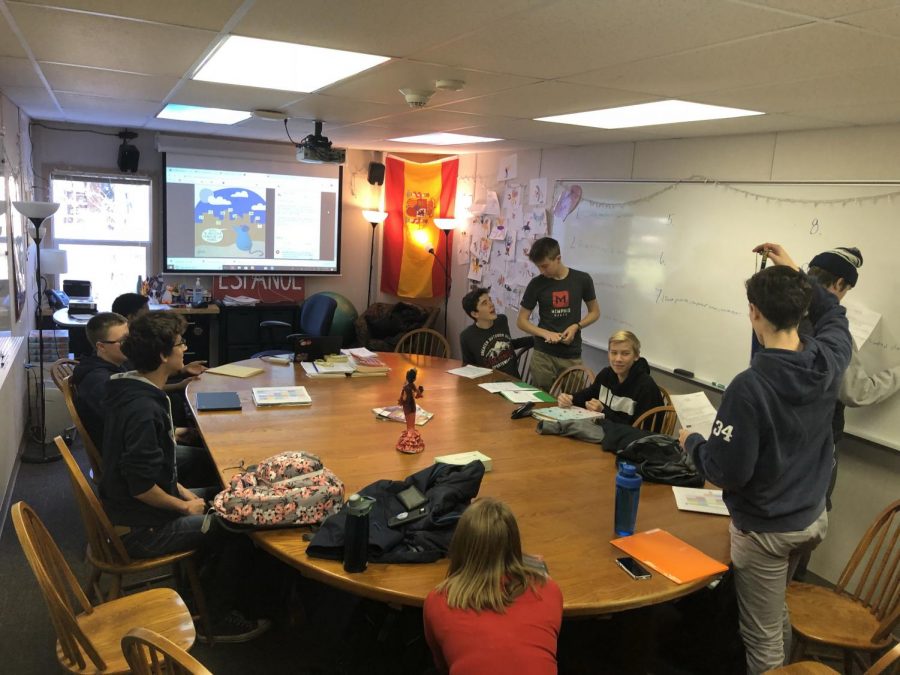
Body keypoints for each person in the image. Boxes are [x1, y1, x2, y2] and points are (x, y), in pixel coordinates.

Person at [678, 242, 851, 674]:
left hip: (766, 532)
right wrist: (799, 275)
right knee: (775, 614)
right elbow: (835, 317)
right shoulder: (828, 359)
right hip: (811, 519)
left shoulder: (749, 387)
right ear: (801, 308)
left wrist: (692, 441)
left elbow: (726, 473)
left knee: (761, 638)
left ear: (754, 312)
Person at [98, 312, 270, 642]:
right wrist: (182, 506)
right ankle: (217, 620)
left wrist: (185, 494)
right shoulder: (143, 410)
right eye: (180, 344)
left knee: (228, 490)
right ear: (163, 355)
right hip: (142, 528)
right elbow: (141, 486)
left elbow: (154, 467)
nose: (184, 349)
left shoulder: (130, 389)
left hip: (137, 511)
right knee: (240, 524)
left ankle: (201, 583)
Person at [423, 498, 563, 675]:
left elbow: (441, 664)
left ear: (460, 545)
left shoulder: (439, 601)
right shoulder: (549, 590)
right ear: (514, 545)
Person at [517, 237, 600, 391]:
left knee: (574, 402)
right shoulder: (536, 284)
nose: (542, 271)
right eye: (539, 267)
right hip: (543, 354)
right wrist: (545, 333)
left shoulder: (582, 279)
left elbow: (595, 312)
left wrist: (577, 326)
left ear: (558, 259)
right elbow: (521, 321)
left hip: (571, 354)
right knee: (541, 400)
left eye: (545, 266)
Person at [558, 330, 663, 425]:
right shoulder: (606, 374)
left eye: (625, 354)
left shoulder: (646, 387)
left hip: (629, 442)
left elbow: (639, 429)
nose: (618, 359)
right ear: (608, 354)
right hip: (605, 433)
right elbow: (589, 394)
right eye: (613, 353)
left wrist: (603, 411)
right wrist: (570, 398)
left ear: (636, 356)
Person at [460, 287, 533, 377]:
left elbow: (508, 345)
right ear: (475, 314)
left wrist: (537, 339)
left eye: (490, 300)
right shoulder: (466, 337)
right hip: (489, 386)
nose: (491, 304)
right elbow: (469, 369)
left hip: (514, 382)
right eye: (484, 303)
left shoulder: (502, 320)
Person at [396, 368, 425, 454]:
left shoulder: (405, 386)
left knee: (409, 424)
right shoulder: (412, 386)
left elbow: (402, 398)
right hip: (411, 405)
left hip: (407, 406)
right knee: (411, 424)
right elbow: (418, 395)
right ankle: (410, 443)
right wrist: (420, 391)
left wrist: (401, 401)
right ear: (414, 378)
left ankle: (408, 442)